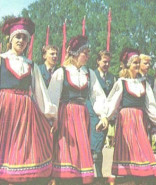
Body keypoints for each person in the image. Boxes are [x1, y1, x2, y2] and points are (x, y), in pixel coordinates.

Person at [0, 17, 56, 183]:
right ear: (11, 39)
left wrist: (50, 115)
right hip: (4, 111)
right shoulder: (2, 60)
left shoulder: (31, 65)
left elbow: (40, 93)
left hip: (24, 115)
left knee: (20, 150)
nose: (21, 41)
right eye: (18, 37)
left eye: (25, 38)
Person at [48, 35, 107, 184]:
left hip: (82, 116)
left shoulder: (90, 74)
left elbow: (97, 96)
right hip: (65, 117)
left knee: (81, 152)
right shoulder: (61, 72)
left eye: (88, 53)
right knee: (66, 150)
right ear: (75, 53)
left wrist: (103, 115)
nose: (88, 56)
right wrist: (53, 119)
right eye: (85, 53)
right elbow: (52, 97)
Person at [104, 48, 156, 178]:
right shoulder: (122, 82)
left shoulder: (144, 83)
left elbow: (151, 105)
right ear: (128, 64)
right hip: (126, 120)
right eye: (135, 63)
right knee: (128, 151)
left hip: (140, 120)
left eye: (139, 62)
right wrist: (105, 117)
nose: (138, 65)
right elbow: (113, 102)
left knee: (143, 151)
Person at [86, 50, 116, 177]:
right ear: (98, 61)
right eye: (104, 61)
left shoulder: (112, 78)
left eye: (109, 62)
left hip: (104, 115)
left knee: (100, 145)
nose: (106, 64)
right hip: (91, 112)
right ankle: (88, 173)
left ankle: (99, 173)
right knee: (91, 145)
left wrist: (111, 115)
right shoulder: (91, 75)